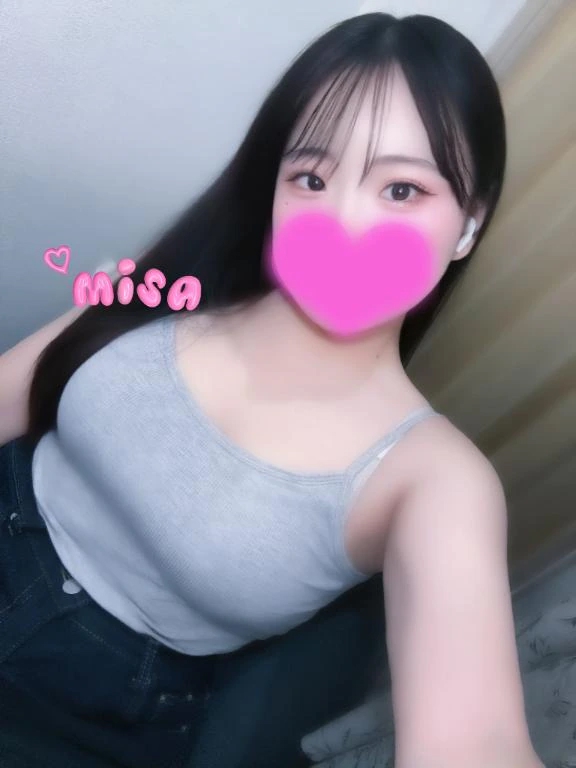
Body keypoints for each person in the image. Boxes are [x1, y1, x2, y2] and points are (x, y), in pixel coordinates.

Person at [0, 11, 544, 768]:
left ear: (468, 224)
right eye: (312, 178)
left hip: (79, 705)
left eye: (401, 189)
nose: (344, 221)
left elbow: (475, 742)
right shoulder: (183, 282)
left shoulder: (433, 480)